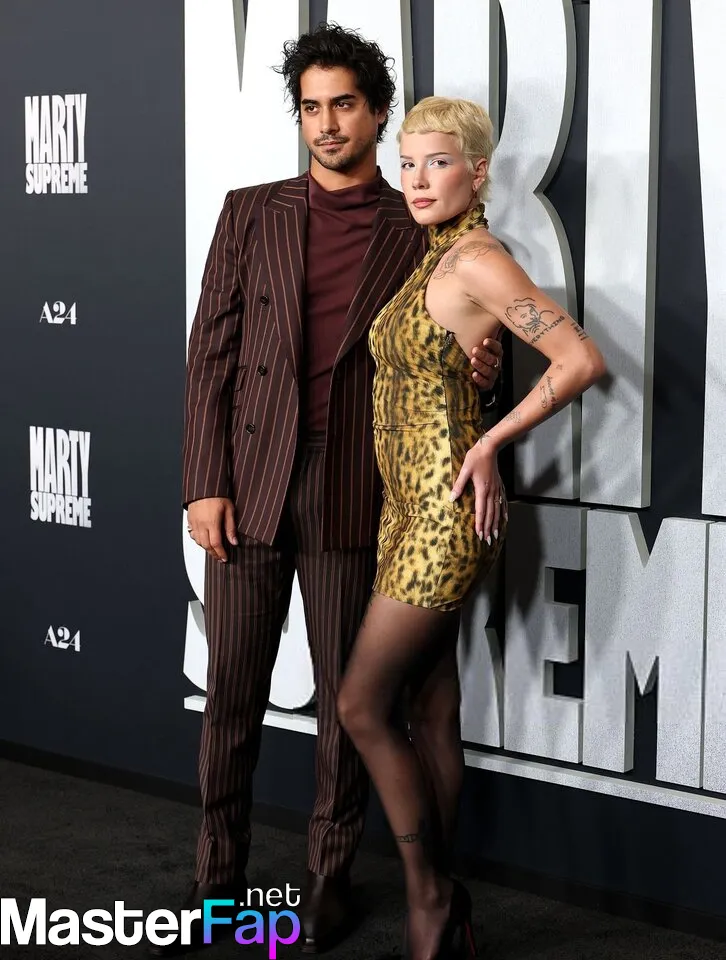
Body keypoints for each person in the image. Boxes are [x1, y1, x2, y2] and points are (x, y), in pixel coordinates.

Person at [160, 27, 503, 957]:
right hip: (250, 480)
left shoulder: (417, 222)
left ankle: (328, 882)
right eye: (310, 107)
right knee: (231, 694)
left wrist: (485, 371)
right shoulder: (250, 213)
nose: (325, 124)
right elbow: (209, 357)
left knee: (345, 710)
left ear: (378, 111)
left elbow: (467, 347)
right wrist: (204, 484)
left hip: (360, 486)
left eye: (343, 104)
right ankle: (217, 883)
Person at [336, 96, 607, 960]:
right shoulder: (437, 255)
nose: (417, 179)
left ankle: (429, 897)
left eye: (438, 162)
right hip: (402, 511)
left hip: (443, 515)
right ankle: (445, 896)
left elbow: (579, 359)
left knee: (360, 704)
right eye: (408, 162)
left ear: (479, 171)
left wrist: (490, 441)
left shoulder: (480, 257)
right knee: (430, 705)